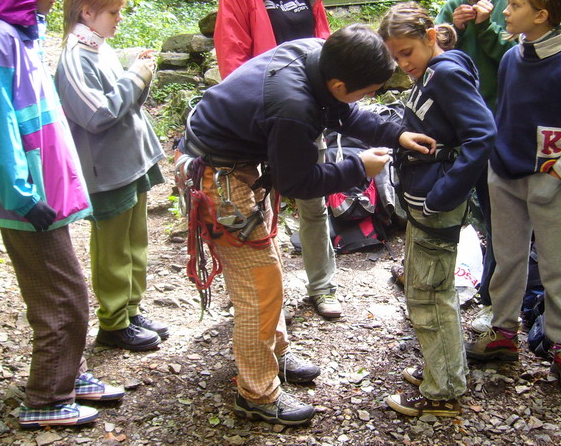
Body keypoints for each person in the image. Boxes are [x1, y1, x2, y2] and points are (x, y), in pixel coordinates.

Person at [177, 24, 436, 425]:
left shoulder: (318, 52)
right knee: (256, 290)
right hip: (217, 178)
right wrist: (357, 167)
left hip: (237, 165)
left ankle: (274, 355)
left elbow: (343, 112)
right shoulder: (293, 106)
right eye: (368, 90)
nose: (370, 98)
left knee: (268, 275)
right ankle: (257, 394)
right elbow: (295, 181)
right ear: (336, 82)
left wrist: (397, 133)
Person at [0, 0, 123, 429]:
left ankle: (69, 373)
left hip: (42, 193)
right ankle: (47, 397)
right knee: (61, 295)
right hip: (24, 200)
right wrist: (22, 195)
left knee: (64, 288)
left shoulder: (22, 35)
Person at [465, 0, 561, 395]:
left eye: (515, 5)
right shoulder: (511, 58)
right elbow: (504, 115)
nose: (505, 10)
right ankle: (503, 333)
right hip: (504, 175)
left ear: (541, 16)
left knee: (559, 266)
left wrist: (560, 176)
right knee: (506, 258)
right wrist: (494, 160)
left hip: (551, 182)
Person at [214, 0, 342, 319]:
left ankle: (323, 288)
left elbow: (322, 42)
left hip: (306, 109)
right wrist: (252, 115)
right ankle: (263, 293)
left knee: (314, 199)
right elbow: (232, 59)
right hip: (262, 114)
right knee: (260, 203)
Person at [378, 3, 496, 417]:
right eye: (395, 56)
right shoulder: (432, 73)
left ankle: (443, 390)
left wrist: (442, 194)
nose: (402, 63)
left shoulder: (445, 73)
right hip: (424, 199)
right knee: (423, 288)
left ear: (430, 37)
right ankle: (442, 369)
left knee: (430, 294)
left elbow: (482, 135)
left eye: (407, 51)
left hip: (436, 203)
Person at [54, 0, 168, 352]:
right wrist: (135, 76)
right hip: (107, 171)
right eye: (113, 12)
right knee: (112, 248)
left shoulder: (97, 46)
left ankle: (132, 310)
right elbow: (98, 115)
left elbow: (123, 101)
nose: (119, 19)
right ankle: (113, 322)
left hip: (129, 163)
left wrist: (138, 71)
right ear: (87, 12)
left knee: (136, 241)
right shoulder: (74, 58)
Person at [435, 0, 516, 320]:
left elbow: (514, 61)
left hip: (500, 119)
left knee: (496, 207)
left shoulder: (510, 2)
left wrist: (484, 29)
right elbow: (435, 55)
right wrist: (454, 28)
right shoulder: (454, 5)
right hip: (458, 124)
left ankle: (495, 292)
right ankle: (441, 281)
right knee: (454, 202)